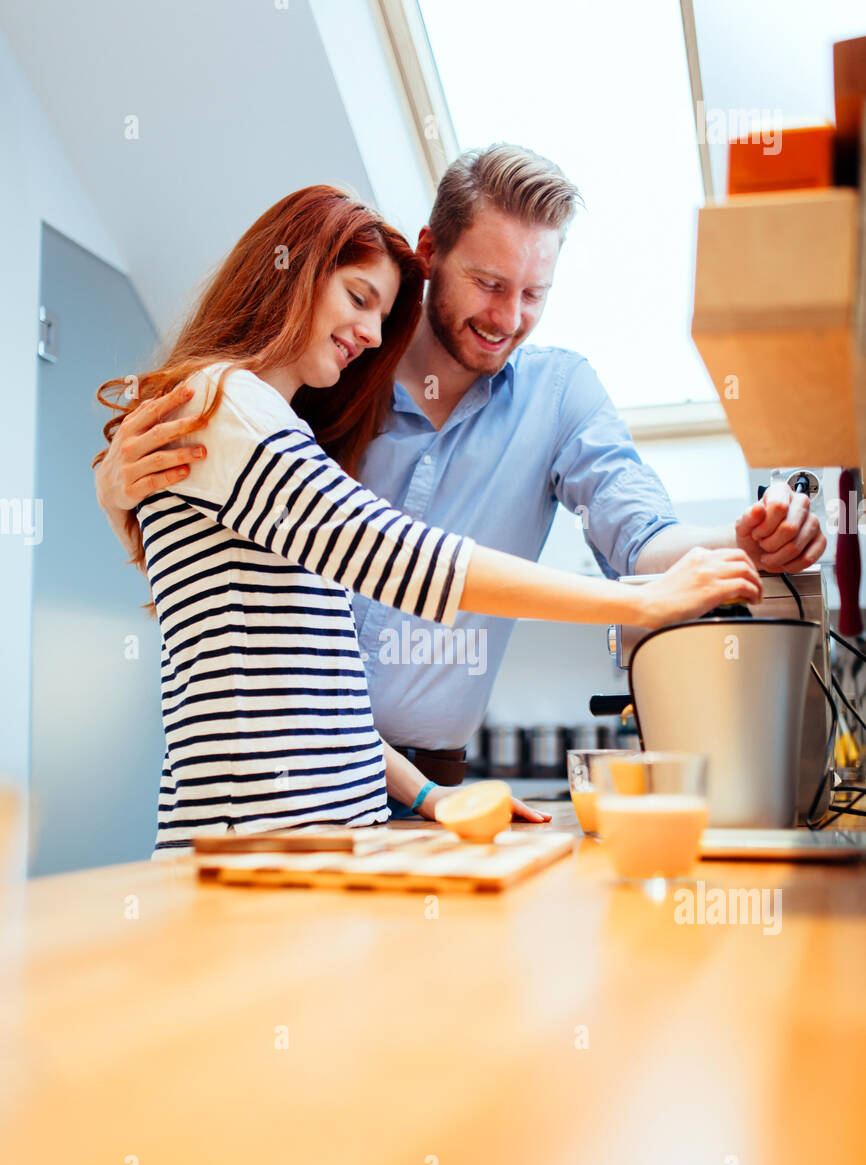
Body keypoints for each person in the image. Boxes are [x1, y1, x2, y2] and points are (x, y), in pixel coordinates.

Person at [95, 159, 782, 823]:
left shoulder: (280, 408)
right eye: (357, 299)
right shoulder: (241, 405)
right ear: (293, 276)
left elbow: (323, 679)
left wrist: (427, 796)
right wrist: (641, 598)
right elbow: (405, 558)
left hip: (346, 813)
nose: (366, 333)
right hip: (264, 838)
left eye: (534, 294)